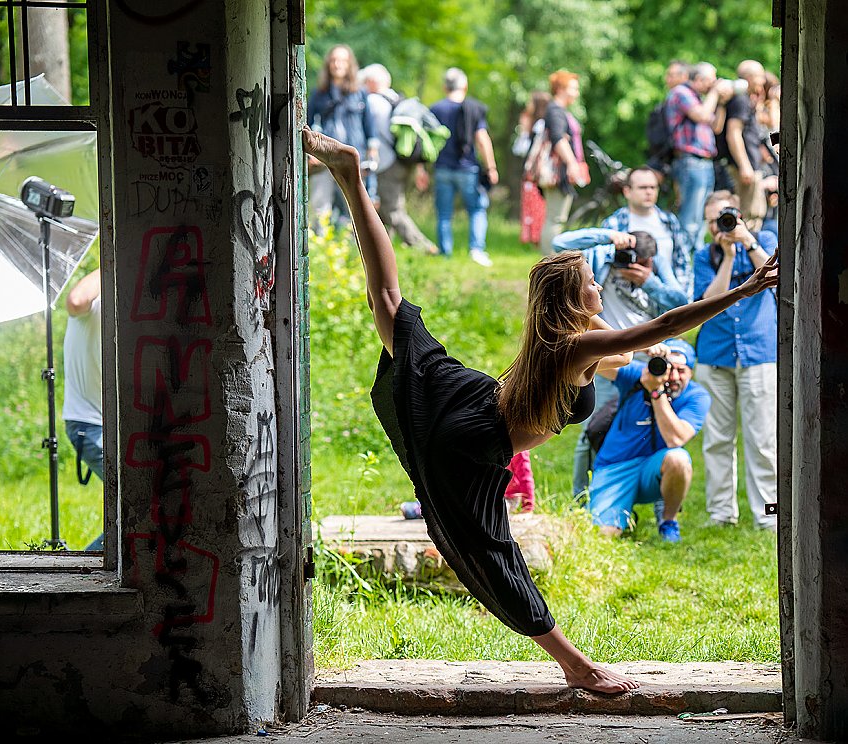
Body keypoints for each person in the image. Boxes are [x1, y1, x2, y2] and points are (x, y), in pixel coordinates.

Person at [302, 126, 778, 694]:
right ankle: (577, 666)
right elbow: (666, 325)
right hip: (473, 436)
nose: (600, 286)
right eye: (590, 284)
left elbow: (631, 342)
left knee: (389, 307)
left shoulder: (574, 333)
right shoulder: (573, 347)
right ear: (577, 302)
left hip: (472, 399)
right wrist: (744, 289)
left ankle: (351, 177)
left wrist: (635, 338)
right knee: (492, 553)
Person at [551, 225, 688, 497]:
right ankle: (583, 498)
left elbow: (682, 302)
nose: (629, 264)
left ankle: (656, 505)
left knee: (653, 431)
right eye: (627, 257)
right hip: (603, 350)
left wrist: (649, 281)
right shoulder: (604, 259)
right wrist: (607, 237)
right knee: (595, 426)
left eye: (639, 261)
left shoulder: (656, 269)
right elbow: (560, 244)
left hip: (647, 354)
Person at [694, 191, 779, 530]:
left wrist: (747, 241)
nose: (722, 227)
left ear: (740, 216)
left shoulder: (766, 239)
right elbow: (708, 301)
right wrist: (728, 258)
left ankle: (768, 516)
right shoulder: (705, 256)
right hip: (716, 356)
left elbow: (777, 276)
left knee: (762, 441)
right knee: (717, 440)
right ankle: (721, 514)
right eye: (715, 221)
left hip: (759, 354)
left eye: (727, 218)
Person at [588, 338, 710, 542]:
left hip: (654, 470)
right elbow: (590, 360)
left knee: (679, 459)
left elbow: (676, 438)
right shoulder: (639, 375)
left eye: (682, 370)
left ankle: (668, 521)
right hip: (616, 467)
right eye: (668, 368)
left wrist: (656, 392)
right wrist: (638, 347)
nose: (673, 376)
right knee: (601, 536)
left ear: (691, 372)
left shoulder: (697, 396)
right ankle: (617, 511)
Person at [359, 63, 438, 255]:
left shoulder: (373, 102)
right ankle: (386, 249)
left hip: (387, 163)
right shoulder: (397, 99)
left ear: (370, 82)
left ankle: (424, 246)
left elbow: (370, 136)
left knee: (393, 210)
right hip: (403, 162)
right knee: (391, 206)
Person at [429, 67, 499, 266]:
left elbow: (427, 142)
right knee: (476, 209)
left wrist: (421, 169)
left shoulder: (435, 109)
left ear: (445, 87)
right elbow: (482, 139)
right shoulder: (474, 109)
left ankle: (445, 252)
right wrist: (491, 167)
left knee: (443, 212)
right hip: (468, 169)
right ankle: (476, 250)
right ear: (465, 86)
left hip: (442, 168)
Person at [307, 44, 379, 228]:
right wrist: (308, 154)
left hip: (353, 157)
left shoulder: (360, 93)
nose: (337, 64)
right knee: (319, 208)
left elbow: (369, 123)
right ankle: (321, 251)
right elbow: (305, 124)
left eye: (342, 60)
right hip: (324, 158)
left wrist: (373, 150)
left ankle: (354, 251)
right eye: (334, 60)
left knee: (355, 207)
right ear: (329, 64)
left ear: (349, 65)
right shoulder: (319, 93)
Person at [665, 62, 733, 248]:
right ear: (699, 79)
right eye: (712, 78)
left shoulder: (699, 98)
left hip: (704, 163)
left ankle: (693, 258)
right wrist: (715, 93)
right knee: (690, 218)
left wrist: (721, 103)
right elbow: (703, 115)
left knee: (700, 217)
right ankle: (684, 261)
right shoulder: (681, 92)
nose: (714, 83)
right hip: (691, 161)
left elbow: (716, 126)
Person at [600, 166, 694, 298]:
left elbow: (682, 262)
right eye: (643, 187)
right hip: (628, 298)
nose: (649, 192)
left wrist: (683, 299)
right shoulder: (614, 224)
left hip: (665, 300)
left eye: (653, 187)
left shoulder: (669, 221)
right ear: (627, 191)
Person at [61, 268, 104, 551]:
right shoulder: (93, 303)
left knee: (140, 509)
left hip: (100, 423)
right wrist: (106, 265)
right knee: (142, 510)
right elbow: (75, 299)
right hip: (88, 424)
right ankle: (84, 568)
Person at [716, 60, 769, 231]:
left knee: (754, 213)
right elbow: (734, 133)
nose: (763, 81)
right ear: (750, 77)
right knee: (748, 215)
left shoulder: (745, 99)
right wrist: (745, 166)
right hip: (743, 168)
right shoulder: (740, 100)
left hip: (749, 166)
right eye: (760, 76)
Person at [539, 70, 589, 253]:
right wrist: (572, 163)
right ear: (560, 89)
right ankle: (550, 262)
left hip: (560, 172)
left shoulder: (558, 110)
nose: (576, 93)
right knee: (555, 218)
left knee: (556, 217)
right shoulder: (555, 111)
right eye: (573, 88)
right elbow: (558, 139)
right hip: (557, 173)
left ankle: (551, 261)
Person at [517, 90, 552, 247]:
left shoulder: (540, 125)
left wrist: (524, 131)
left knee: (538, 210)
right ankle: (535, 240)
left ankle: (538, 241)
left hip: (536, 176)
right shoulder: (535, 125)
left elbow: (522, 149)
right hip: (533, 175)